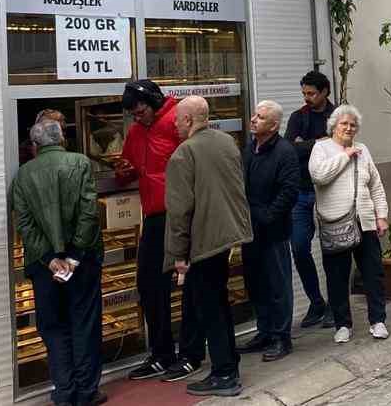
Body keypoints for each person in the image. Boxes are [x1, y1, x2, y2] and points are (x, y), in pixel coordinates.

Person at [12, 117, 105, 406]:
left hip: (44, 268)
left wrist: (51, 259)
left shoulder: (23, 175)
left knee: (53, 328)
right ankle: (86, 392)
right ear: (62, 139)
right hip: (84, 262)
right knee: (84, 325)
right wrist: (75, 256)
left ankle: (64, 393)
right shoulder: (80, 164)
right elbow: (90, 213)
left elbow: (25, 225)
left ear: (35, 146)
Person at [164, 97, 253, 398]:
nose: (174, 124)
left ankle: (224, 374)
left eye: (177, 119)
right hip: (226, 236)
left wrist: (177, 255)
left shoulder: (183, 154)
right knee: (220, 303)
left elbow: (179, 212)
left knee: (210, 309)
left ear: (189, 120)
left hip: (202, 243)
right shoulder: (226, 142)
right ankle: (229, 363)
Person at [113, 80, 195, 381]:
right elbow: (133, 166)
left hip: (183, 214)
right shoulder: (136, 131)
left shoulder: (178, 120)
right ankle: (162, 353)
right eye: (133, 114)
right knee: (149, 284)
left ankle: (190, 352)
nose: (137, 117)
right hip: (154, 216)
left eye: (140, 110)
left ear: (154, 101)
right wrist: (124, 173)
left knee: (190, 284)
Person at [308, 104, 390, 343]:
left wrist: (381, 215)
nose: (348, 128)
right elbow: (319, 176)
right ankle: (343, 324)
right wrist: (344, 156)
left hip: (364, 222)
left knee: (373, 274)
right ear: (334, 125)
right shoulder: (321, 148)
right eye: (344, 123)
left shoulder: (363, 149)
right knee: (337, 277)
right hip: (335, 224)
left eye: (353, 125)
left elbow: (375, 184)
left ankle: (378, 321)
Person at [237, 101, 299, 363]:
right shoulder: (250, 148)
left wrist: (268, 216)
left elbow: (289, 192)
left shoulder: (285, 152)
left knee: (278, 285)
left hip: (273, 231)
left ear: (273, 126)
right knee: (256, 283)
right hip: (249, 230)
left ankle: (281, 337)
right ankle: (264, 331)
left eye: (260, 118)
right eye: (254, 115)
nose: (253, 120)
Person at [285, 71, 334, 328]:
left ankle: (336, 305)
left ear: (325, 91)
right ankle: (316, 302)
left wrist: (306, 144)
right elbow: (289, 149)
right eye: (304, 93)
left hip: (328, 191)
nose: (307, 98)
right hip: (301, 192)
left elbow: (338, 149)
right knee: (299, 247)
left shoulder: (336, 116)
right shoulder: (298, 117)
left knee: (332, 249)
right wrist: (318, 143)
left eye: (312, 93)